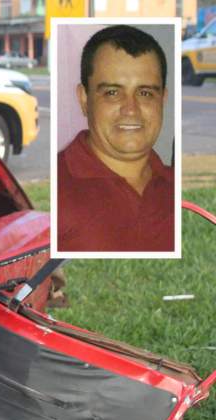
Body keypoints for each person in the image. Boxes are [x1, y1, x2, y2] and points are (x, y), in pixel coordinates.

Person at [57, 25, 174, 252]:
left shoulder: (177, 187)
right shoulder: (59, 189)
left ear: (163, 99)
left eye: (145, 93)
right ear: (83, 99)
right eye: (112, 92)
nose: (131, 109)